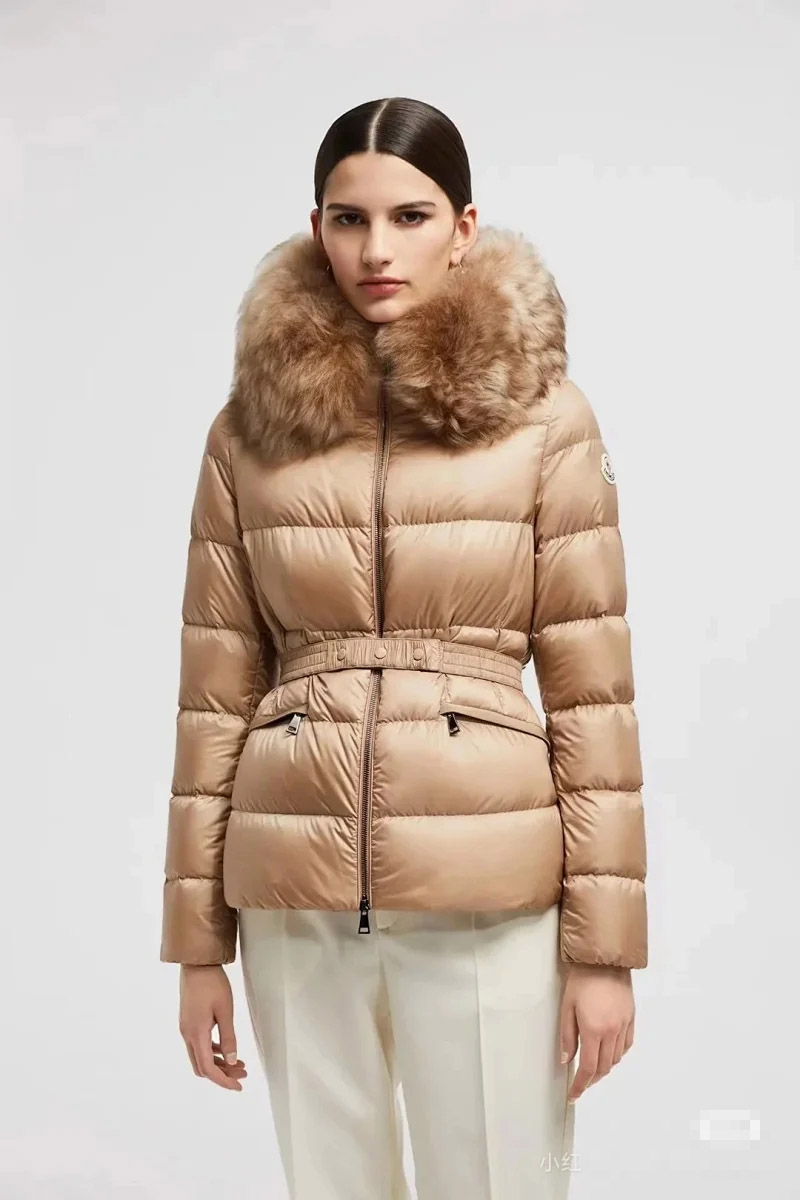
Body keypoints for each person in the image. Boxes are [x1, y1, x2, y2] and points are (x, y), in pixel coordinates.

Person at [159, 95, 648, 1200]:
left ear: (462, 227)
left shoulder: (547, 420)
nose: (376, 248)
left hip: (490, 893)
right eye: (349, 219)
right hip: (292, 898)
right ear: (316, 227)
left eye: (409, 216)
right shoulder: (247, 433)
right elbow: (213, 693)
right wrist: (198, 948)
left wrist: (605, 951)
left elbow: (592, 697)